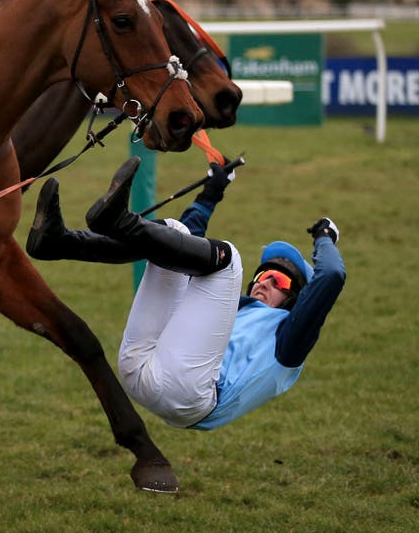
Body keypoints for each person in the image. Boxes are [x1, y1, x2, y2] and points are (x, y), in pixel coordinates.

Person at [25, 155, 345, 430]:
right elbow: (185, 242)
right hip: (140, 369)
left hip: (192, 397)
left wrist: (324, 236)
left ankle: (120, 223)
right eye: (263, 276)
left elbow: (331, 275)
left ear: (295, 300)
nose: (264, 283)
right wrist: (212, 192)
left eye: (279, 281)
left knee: (229, 259)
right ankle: (61, 242)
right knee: (176, 233)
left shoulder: (291, 338)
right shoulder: (227, 312)